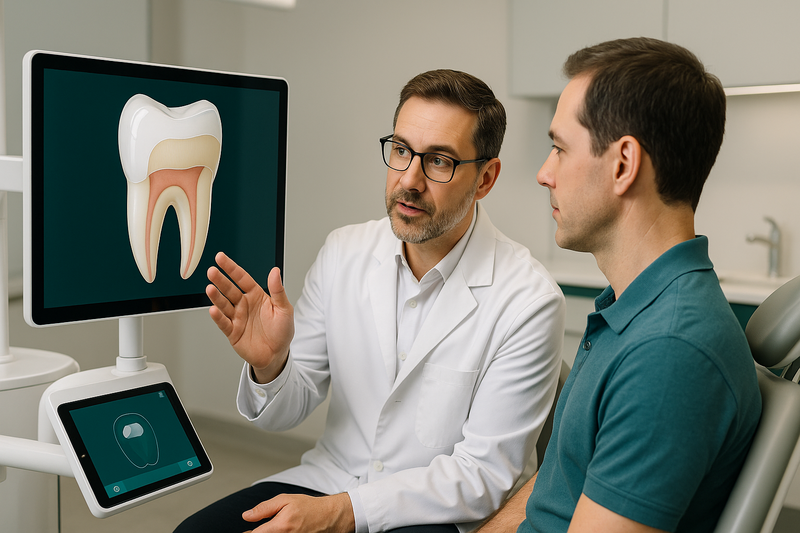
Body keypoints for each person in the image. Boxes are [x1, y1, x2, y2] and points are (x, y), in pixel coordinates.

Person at [174, 69, 566, 533]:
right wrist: (272, 366)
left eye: (438, 161)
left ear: (486, 178)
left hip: (435, 514)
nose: (410, 180)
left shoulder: (529, 300)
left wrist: (343, 513)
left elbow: (484, 475)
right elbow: (285, 412)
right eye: (400, 151)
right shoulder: (344, 252)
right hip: (329, 481)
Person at [478, 37, 762, 533]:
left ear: (623, 164)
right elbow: (556, 489)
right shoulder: (630, 311)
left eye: (560, 149)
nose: (545, 174)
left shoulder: (669, 352)